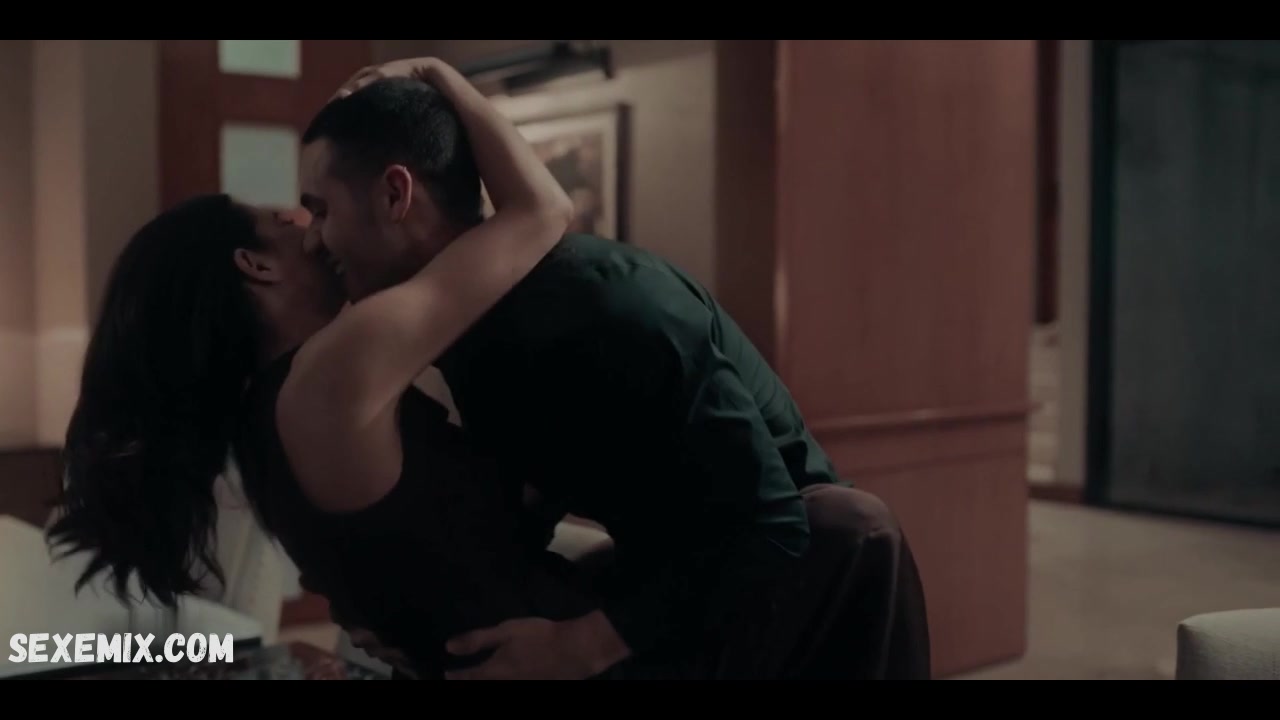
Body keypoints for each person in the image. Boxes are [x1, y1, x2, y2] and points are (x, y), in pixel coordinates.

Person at [300, 57, 933, 680]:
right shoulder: (473, 330)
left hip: (793, 571)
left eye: (320, 210)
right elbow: (519, 511)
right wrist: (413, 619)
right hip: (672, 573)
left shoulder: (608, 311)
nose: (309, 238)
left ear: (395, 194)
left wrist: (578, 646)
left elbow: (769, 527)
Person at [45, 60, 618, 679]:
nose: (317, 232)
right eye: (293, 215)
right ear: (257, 265)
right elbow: (541, 210)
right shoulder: (332, 373)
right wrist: (438, 72)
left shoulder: (265, 425)